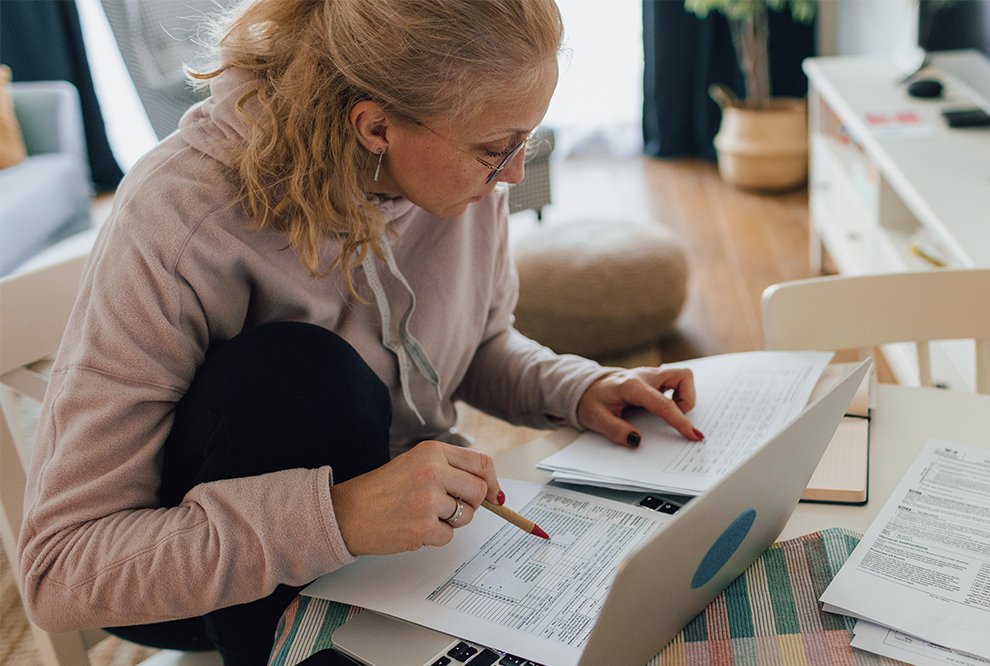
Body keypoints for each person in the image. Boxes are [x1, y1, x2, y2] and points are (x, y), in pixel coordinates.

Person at [17, 0, 701, 663]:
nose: (514, 175)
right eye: (497, 149)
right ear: (375, 128)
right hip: (198, 586)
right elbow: (61, 569)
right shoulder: (180, 219)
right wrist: (336, 516)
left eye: (527, 139)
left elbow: (476, 345)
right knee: (301, 374)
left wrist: (582, 388)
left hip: (386, 551)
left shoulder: (460, 180)